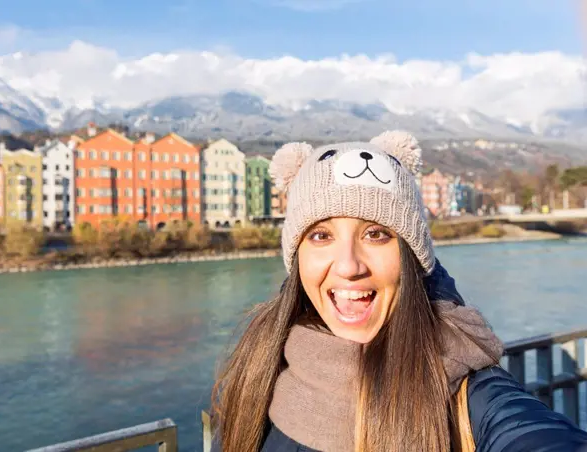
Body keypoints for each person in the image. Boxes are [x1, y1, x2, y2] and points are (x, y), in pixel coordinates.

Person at [210, 131, 587, 452]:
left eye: (376, 234)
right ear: (296, 257)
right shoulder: (258, 367)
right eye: (320, 235)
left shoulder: (460, 379)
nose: (348, 266)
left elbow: (523, 430)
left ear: (411, 256)